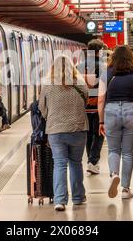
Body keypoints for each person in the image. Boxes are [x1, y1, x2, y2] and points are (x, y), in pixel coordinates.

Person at [39, 56, 89, 211]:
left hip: (56, 130)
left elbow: (42, 107)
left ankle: (60, 201)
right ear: (72, 68)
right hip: (78, 129)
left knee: (60, 164)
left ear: (53, 68)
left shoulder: (47, 84)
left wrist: (51, 117)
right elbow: (85, 101)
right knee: (76, 163)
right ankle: (78, 197)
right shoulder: (80, 83)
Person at [98, 46, 133, 199]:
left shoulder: (106, 74)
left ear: (113, 58)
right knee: (127, 153)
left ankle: (114, 174)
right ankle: (126, 189)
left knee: (113, 150)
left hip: (111, 111)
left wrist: (101, 121)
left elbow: (100, 99)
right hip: (131, 111)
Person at [76, 39, 107, 175]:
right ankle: (93, 161)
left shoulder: (78, 66)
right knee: (99, 134)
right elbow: (104, 87)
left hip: (84, 105)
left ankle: (91, 161)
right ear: (99, 51)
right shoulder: (103, 66)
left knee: (88, 134)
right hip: (97, 105)